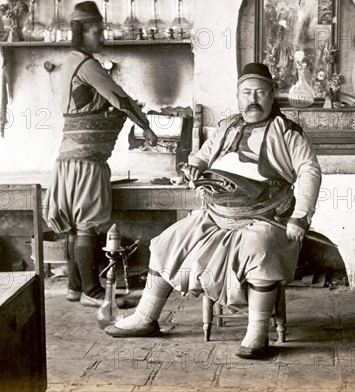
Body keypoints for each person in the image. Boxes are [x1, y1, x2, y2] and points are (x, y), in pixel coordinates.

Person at [105, 62, 322, 359]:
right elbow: (201, 158)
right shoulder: (226, 126)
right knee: (170, 239)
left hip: (266, 217)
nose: (252, 100)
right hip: (217, 215)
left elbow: (309, 171)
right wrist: (191, 169)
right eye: (246, 93)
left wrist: (301, 216)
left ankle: (257, 333)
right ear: (237, 96)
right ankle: (146, 316)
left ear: (273, 95)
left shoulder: (289, 133)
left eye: (260, 92)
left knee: (260, 249)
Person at [44, 1, 158, 307]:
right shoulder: (87, 65)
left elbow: (88, 105)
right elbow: (119, 99)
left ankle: (73, 287)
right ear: (81, 32)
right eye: (96, 31)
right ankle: (91, 292)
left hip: (68, 161)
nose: (102, 37)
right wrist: (146, 128)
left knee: (73, 224)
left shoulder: (68, 62)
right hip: (86, 162)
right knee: (88, 225)